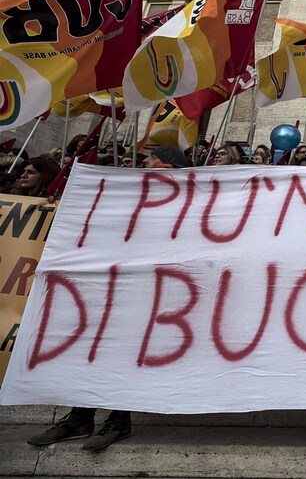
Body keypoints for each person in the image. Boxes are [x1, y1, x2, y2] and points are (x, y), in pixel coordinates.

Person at [26, 146, 189, 451]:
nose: (143, 162)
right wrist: (69, 205)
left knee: (125, 352)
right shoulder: (129, 193)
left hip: (150, 291)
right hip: (109, 285)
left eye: (150, 159)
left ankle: (118, 418)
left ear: (169, 165)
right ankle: (80, 415)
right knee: (92, 346)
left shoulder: (183, 196)